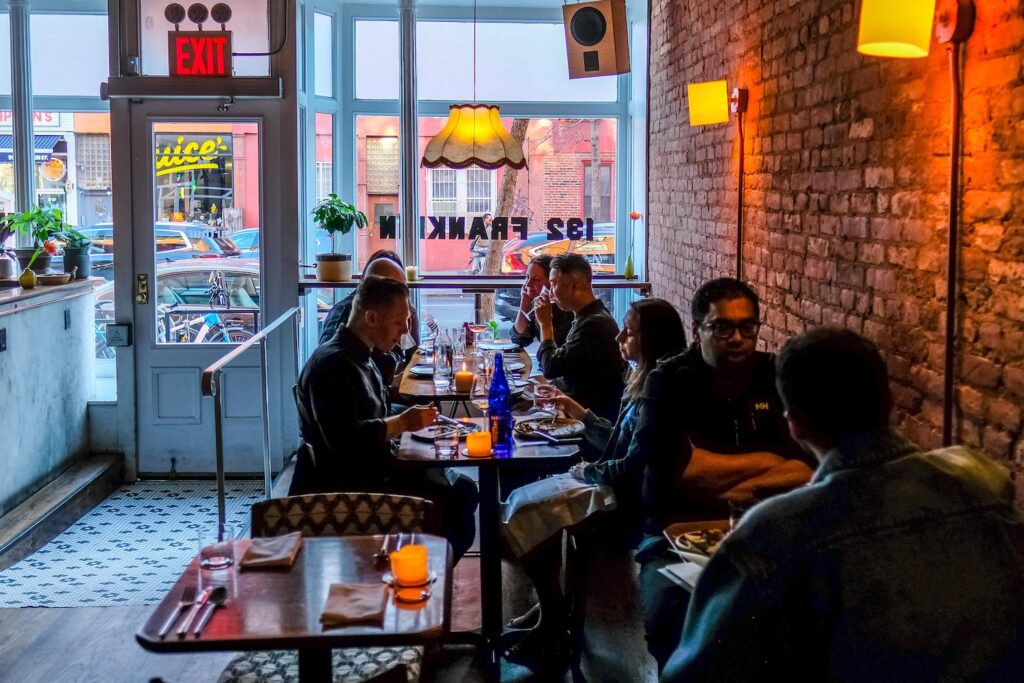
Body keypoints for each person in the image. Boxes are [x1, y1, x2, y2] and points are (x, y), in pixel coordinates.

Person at [662, 327, 1024, 682]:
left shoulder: (770, 536)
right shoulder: (985, 481)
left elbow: (695, 673)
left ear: (795, 425)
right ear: (890, 401)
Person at [500, 298, 688, 671]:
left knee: (524, 511)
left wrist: (586, 472)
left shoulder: (655, 389)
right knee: (523, 506)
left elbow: (632, 464)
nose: (619, 336)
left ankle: (553, 619)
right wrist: (576, 408)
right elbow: (617, 441)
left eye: (629, 332)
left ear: (651, 340)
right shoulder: (640, 378)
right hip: (613, 486)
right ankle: (551, 611)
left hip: (625, 504)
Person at [636, 278, 814, 670]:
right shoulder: (669, 381)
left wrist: (721, 477)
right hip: (675, 533)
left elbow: (807, 468)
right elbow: (681, 473)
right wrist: (770, 462)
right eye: (722, 327)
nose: (737, 338)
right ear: (698, 329)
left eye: (747, 327)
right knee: (669, 618)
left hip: (767, 529)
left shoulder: (775, 374)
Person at [290, 276, 479, 558]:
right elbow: (345, 442)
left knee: (463, 487)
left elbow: (375, 409)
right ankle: (421, 572)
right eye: (399, 322)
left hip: (374, 470)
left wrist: (418, 417)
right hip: (354, 487)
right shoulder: (334, 366)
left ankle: (421, 567)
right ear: (371, 318)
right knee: (461, 498)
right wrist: (404, 423)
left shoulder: (362, 356)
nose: (405, 330)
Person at [533, 253, 626, 421]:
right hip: (579, 409)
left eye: (554, 284)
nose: (550, 293)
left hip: (593, 424)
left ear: (574, 286)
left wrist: (545, 324)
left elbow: (551, 368)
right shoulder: (589, 316)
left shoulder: (593, 325)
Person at [318, 250, 419, 385]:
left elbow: (412, 355)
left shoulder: (361, 350)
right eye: (394, 290)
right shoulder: (342, 364)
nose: (401, 296)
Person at [509, 254, 573, 348]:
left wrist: (545, 323)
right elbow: (519, 339)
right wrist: (525, 302)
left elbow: (556, 353)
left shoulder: (568, 310)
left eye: (535, 279)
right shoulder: (538, 303)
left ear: (552, 282)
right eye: (527, 277)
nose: (528, 284)